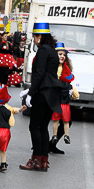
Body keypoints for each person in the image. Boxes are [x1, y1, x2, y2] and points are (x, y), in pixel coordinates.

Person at [19, 22, 61, 171]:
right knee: (43, 127)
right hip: (52, 93)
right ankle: (43, 160)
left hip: (43, 93)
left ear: (40, 36)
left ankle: (36, 159)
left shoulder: (43, 50)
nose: (34, 39)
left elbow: (39, 74)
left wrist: (30, 93)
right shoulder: (52, 50)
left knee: (34, 126)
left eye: (35, 36)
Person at [49, 43, 79, 155]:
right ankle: (44, 146)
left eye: (63, 55)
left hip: (61, 98)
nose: (62, 56)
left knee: (66, 121)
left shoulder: (65, 68)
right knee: (47, 121)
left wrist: (71, 90)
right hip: (52, 97)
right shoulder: (51, 66)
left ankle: (51, 144)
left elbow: (67, 81)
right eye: (59, 54)